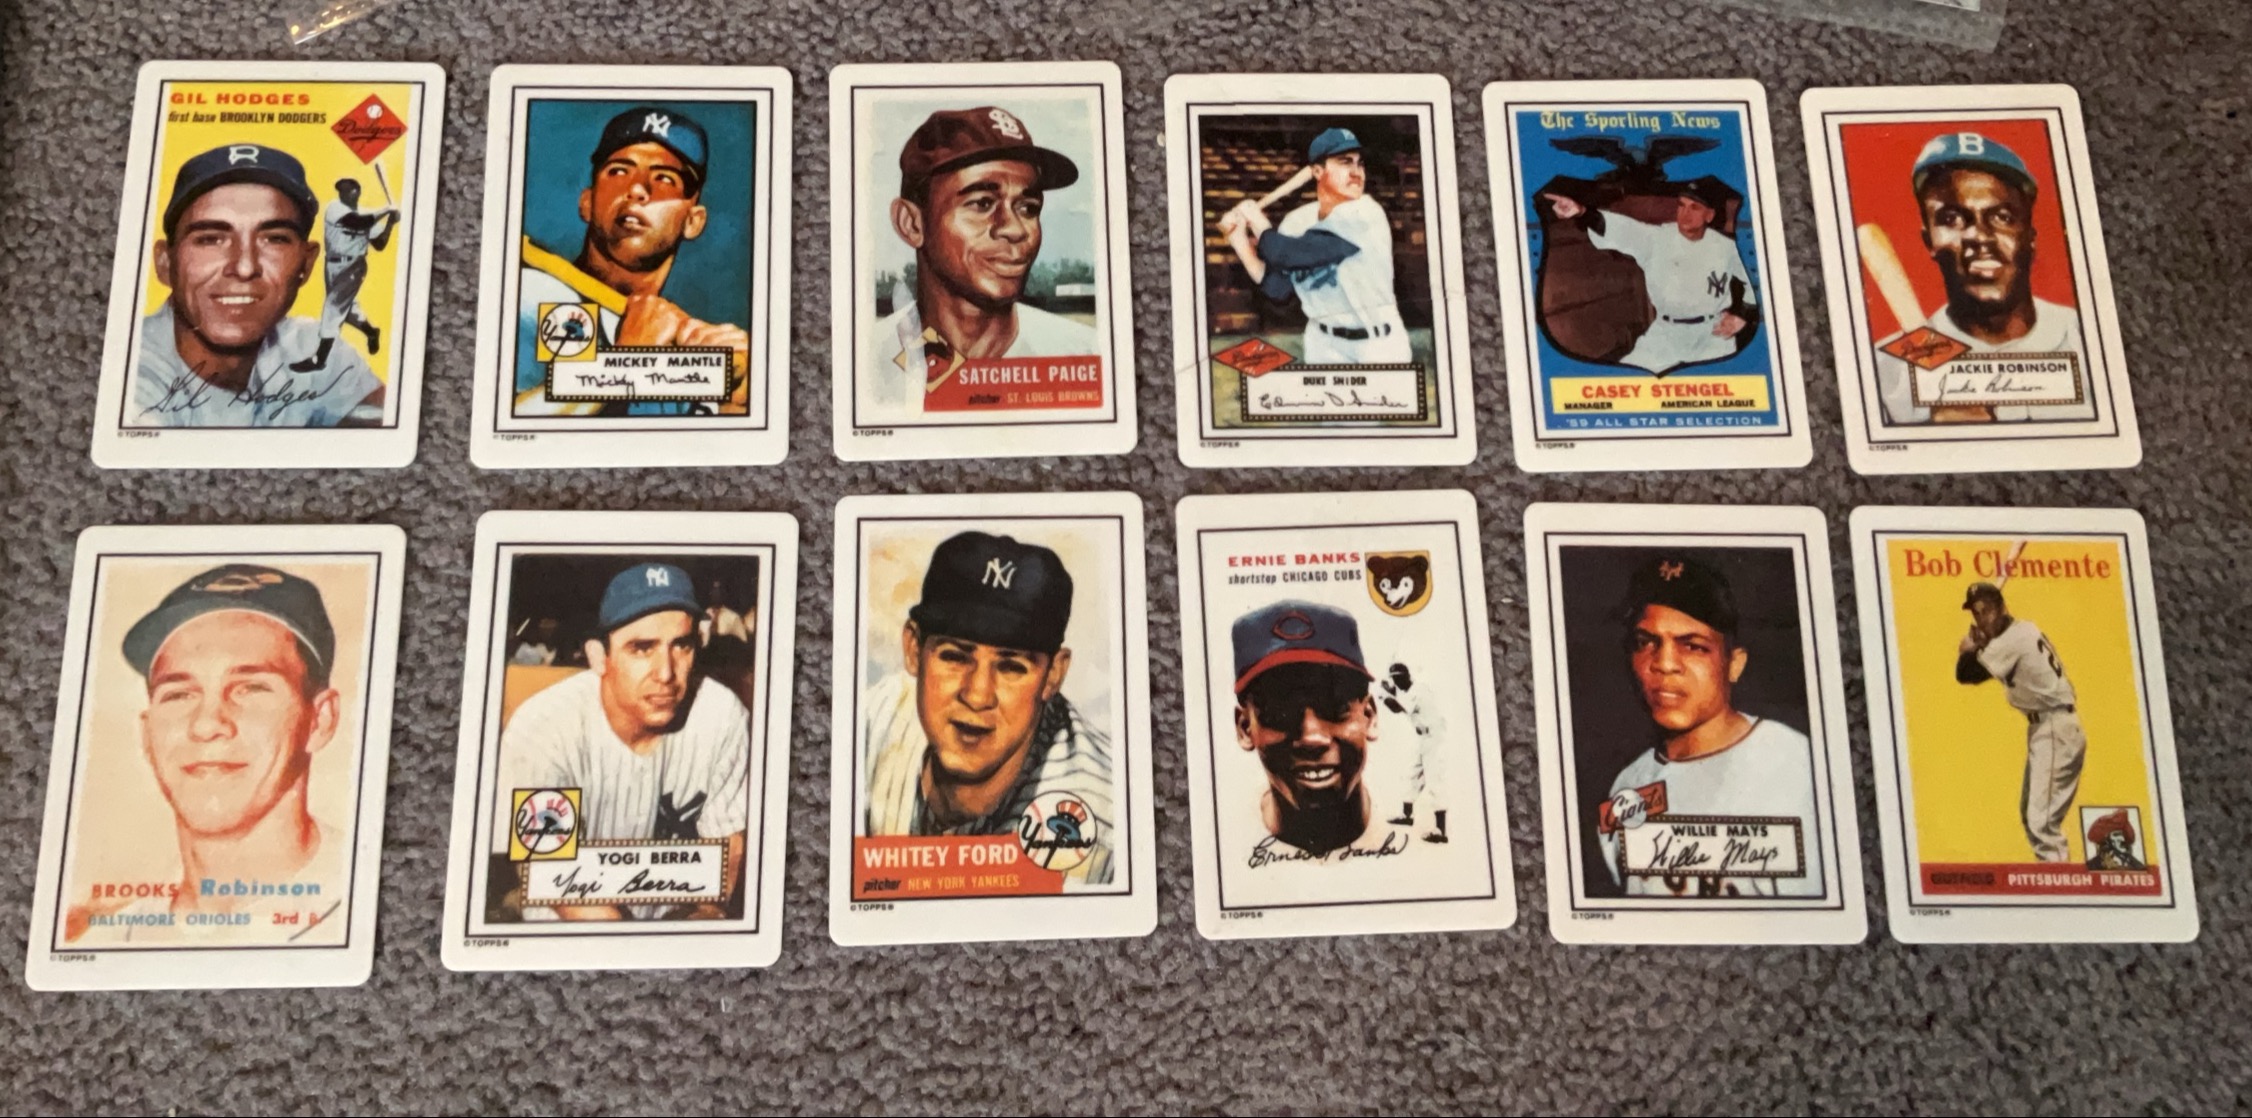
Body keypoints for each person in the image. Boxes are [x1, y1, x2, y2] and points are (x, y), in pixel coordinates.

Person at [69, 564, 351, 944]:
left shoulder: (369, 899)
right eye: (179, 694)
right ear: (147, 735)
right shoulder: (106, 941)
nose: (206, 724)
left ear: (319, 720)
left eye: (250, 688)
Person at [497, 562, 752, 918]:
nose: (666, 673)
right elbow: (550, 874)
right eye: (642, 648)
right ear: (599, 657)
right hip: (573, 938)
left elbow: (727, 853)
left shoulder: (722, 714)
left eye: (681, 645)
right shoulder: (541, 727)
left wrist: (704, 919)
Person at [860, 531, 1115, 883]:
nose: (978, 696)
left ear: (1053, 675)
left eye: (1011, 667)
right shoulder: (871, 721)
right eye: (954, 656)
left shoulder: (1103, 827)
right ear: (914, 649)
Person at [1596, 556, 1823, 897]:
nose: (1664, 664)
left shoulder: (1797, 765)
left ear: (1734, 664)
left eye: (1693, 646)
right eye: (1646, 642)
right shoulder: (1628, 786)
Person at [515, 106, 750, 417]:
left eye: (665, 178)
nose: (637, 190)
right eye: (619, 172)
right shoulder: (531, 295)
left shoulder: (685, 339)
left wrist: (738, 399)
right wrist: (629, 358)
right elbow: (510, 426)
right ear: (587, 202)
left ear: (693, 221)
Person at [133, 143, 384, 427]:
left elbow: (388, 431)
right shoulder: (131, 370)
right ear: (165, 263)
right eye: (210, 239)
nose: (244, 267)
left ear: (306, 264)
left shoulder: (309, 347)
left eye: (274, 239)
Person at [872, 106, 1096, 404]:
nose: (1015, 229)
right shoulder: (864, 363)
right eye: (982, 203)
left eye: (1028, 207)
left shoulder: (1085, 354)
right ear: (911, 224)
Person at [1872, 132, 2095, 424]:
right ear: (1929, 242)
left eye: (2002, 217)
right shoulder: (1884, 370)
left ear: (2030, 237)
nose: (1979, 236)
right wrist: (1930, 437)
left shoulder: (2090, 339)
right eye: (1951, 219)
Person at [1220, 127, 1410, 366]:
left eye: (1359, 163)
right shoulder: (1296, 221)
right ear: (1317, 171)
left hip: (1378, 343)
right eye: (1345, 162)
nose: (1356, 172)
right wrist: (1239, 241)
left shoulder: (1366, 212)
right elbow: (1278, 288)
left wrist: (1255, 217)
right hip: (1323, 342)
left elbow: (1286, 254)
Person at [1543, 182, 1757, 375]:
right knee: (1626, 380)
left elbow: (1756, 278)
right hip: (1665, 334)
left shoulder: (1727, 247)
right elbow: (1619, 229)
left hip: (1713, 334)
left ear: (1709, 215)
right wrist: (1582, 212)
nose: (1685, 213)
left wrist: (1743, 315)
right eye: (1681, 205)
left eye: (1694, 207)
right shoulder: (1656, 238)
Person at [1231, 600, 1382, 856]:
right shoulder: (1221, 840)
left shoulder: (1419, 829)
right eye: (1280, 712)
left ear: (1369, 717)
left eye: (1334, 706)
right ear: (1245, 728)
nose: (1312, 737)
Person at [1955, 580, 2083, 863]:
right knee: (2032, 816)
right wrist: (1982, 645)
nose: (1982, 618)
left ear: (2002, 608)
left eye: (1987, 610)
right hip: (2050, 727)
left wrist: (1969, 648)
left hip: (2055, 728)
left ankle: (2061, 886)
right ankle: (2054, 877)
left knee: (2041, 824)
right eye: (1976, 613)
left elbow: (1966, 674)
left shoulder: (2011, 640)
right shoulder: (2023, 629)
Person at [291, 177, 396, 373]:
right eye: (343, 191)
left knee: (333, 309)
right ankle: (371, 332)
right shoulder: (335, 208)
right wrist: (386, 210)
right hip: (332, 265)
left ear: (358, 192)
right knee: (346, 309)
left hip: (353, 266)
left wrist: (390, 223)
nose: (345, 194)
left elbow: (380, 244)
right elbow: (357, 223)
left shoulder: (367, 213)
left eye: (350, 190)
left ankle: (319, 359)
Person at [1376, 661, 1447, 843]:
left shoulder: (1418, 690)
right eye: (1394, 679)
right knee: (1412, 775)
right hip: (1424, 738)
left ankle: (1441, 831)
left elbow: (1396, 708)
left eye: (1399, 678)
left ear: (1407, 677)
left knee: (1434, 782)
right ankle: (1406, 815)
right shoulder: (1409, 691)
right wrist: (1389, 692)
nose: (1397, 682)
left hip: (1434, 739)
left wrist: (1383, 695)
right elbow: (1400, 701)